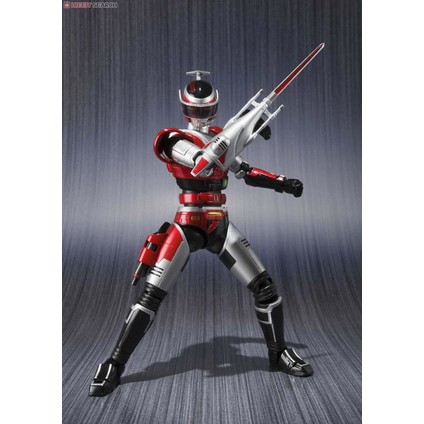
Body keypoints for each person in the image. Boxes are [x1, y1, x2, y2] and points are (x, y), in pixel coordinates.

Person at [89, 71, 313, 397]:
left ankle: (278, 353)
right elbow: (200, 162)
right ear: (185, 109)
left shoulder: (223, 136)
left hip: (219, 224)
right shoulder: (172, 138)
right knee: (151, 296)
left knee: (265, 288)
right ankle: (114, 363)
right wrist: (240, 133)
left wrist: (281, 182)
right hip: (188, 225)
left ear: (215, 107)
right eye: (197, 110)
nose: (202, 116)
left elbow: (245, 172)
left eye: (206, 110)